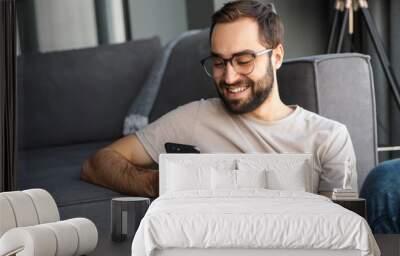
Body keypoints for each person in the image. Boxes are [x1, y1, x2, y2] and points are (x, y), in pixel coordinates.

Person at [80, 0, 357, 198]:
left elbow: (341, 236)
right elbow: (97, 163)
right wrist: (157, 183)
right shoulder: (193, 119)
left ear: (277, 57)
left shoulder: (328, 139)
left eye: (244, 60)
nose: (229, 77)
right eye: (219, 62)